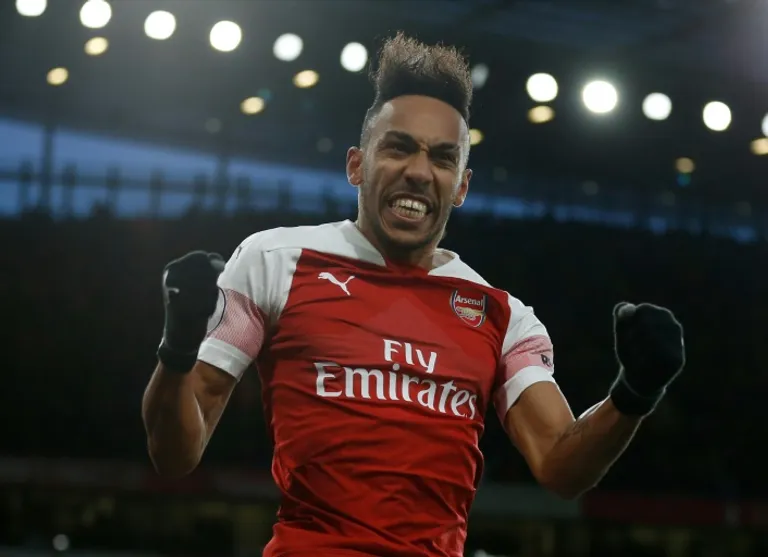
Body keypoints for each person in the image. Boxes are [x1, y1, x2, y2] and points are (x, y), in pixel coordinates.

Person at [142, 32, 685, 557]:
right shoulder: (274, 262)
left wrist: (633, 393)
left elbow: (561, 466)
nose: (419, 172)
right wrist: (178, 348)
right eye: (398, 148)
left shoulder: (503, 316)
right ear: (356, 165)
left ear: (462, 185)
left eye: (443, 158)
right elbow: (176, 454)